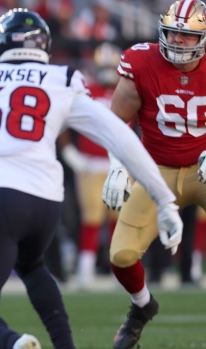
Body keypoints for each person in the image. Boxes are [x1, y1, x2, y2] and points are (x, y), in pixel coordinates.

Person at [0, 8, 183, 349]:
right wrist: (164, 200)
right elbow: (121, 136)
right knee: (32, 265)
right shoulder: (61, 79)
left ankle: (15, 344)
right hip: (44, 203)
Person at [101, 1, 206, 348]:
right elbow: (115, 124)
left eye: (187, 36)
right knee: (121, 256)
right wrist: (117, 165)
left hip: (203, 168)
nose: (177, 41)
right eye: (173, 32)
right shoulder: (142, 61)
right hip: (155, 170)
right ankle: (142, 307)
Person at [58, 42, 123, 287]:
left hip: (118, 163)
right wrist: (71, 153)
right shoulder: (87, 90)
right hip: (91, 165)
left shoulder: (124, 90)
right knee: (92, 217)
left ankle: (121, 269)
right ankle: (86, 268)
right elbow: (62, 122)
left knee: (119, 218)